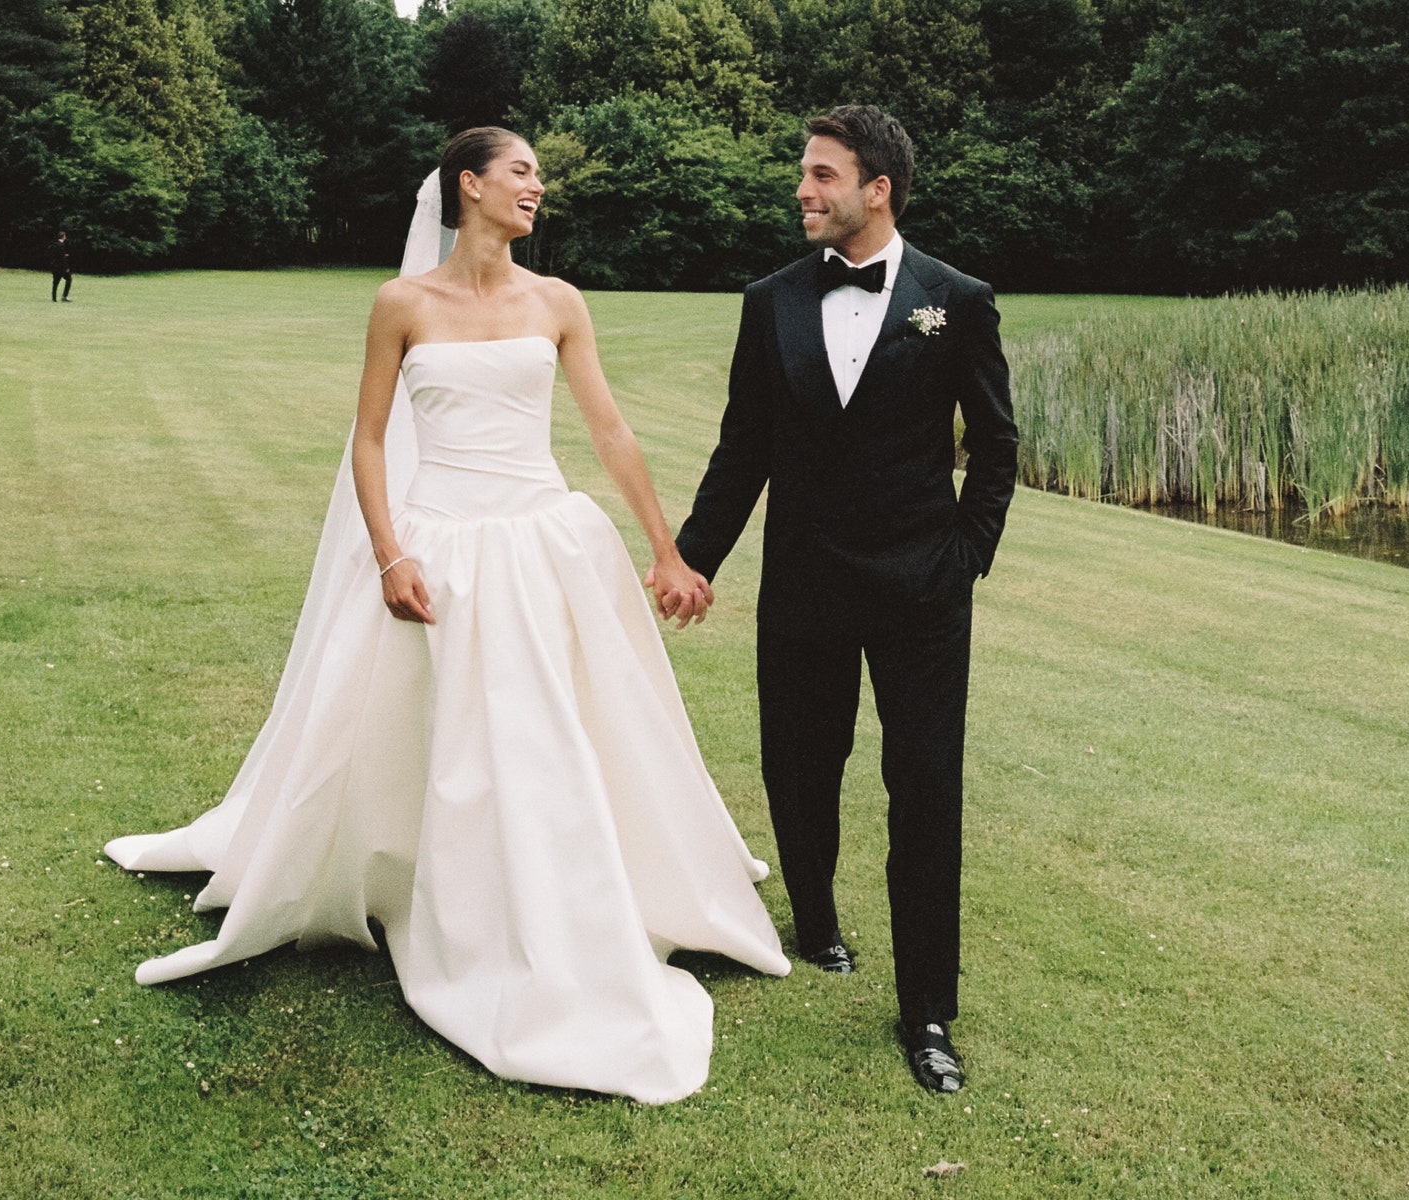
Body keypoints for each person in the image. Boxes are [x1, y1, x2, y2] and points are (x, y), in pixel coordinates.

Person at [104, 127, 789, 1106]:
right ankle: (410, 882)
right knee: (417, 737)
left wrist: (667, 549)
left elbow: (607, 427)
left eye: (537, 178)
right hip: (436, 549)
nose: (537, 188)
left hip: (542, 540)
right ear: (468, 187)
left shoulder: (557, 303)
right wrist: (391, 554)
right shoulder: (400, 306)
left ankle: (565, 895)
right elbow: (372, 441)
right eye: (521, 172)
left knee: (549, 732)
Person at [669, 105, 1017, 1093]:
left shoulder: (956, 299)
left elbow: (995, 448)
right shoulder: (768, 301)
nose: (801, 190)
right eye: (803, 173)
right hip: (805, 583)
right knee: (799, 767)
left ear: (878, 190)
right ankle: (815, 922)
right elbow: (744, 450)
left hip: (921, 593)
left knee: (925, 792)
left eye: (821, 174)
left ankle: (927, 1014)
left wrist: (965, 557)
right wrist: (694, 558)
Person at [50, 231, 71, 302]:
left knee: (55, 282)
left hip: (54, 266)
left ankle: (54, 298)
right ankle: (64, 296)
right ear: (63, 236)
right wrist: (66, 267)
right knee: (69, 279)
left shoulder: (54, 244)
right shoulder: (62, 245)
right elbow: (62, 258)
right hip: (61, 267)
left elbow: (55, 255)